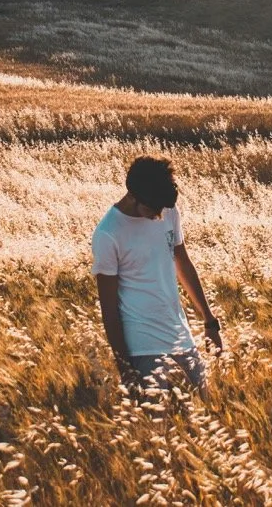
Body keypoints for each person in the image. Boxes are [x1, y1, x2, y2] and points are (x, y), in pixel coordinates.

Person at [91, 156, 222, 393]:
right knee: (157, 425)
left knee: (205, 408)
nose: (160, 215)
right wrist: (125, 367)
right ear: (132, 196)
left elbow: (182, 262)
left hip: (181, 335)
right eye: (154, 209)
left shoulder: (168, 211)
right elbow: (108, 308)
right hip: (142, 346)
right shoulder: (108, 234)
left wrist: (209, 321)